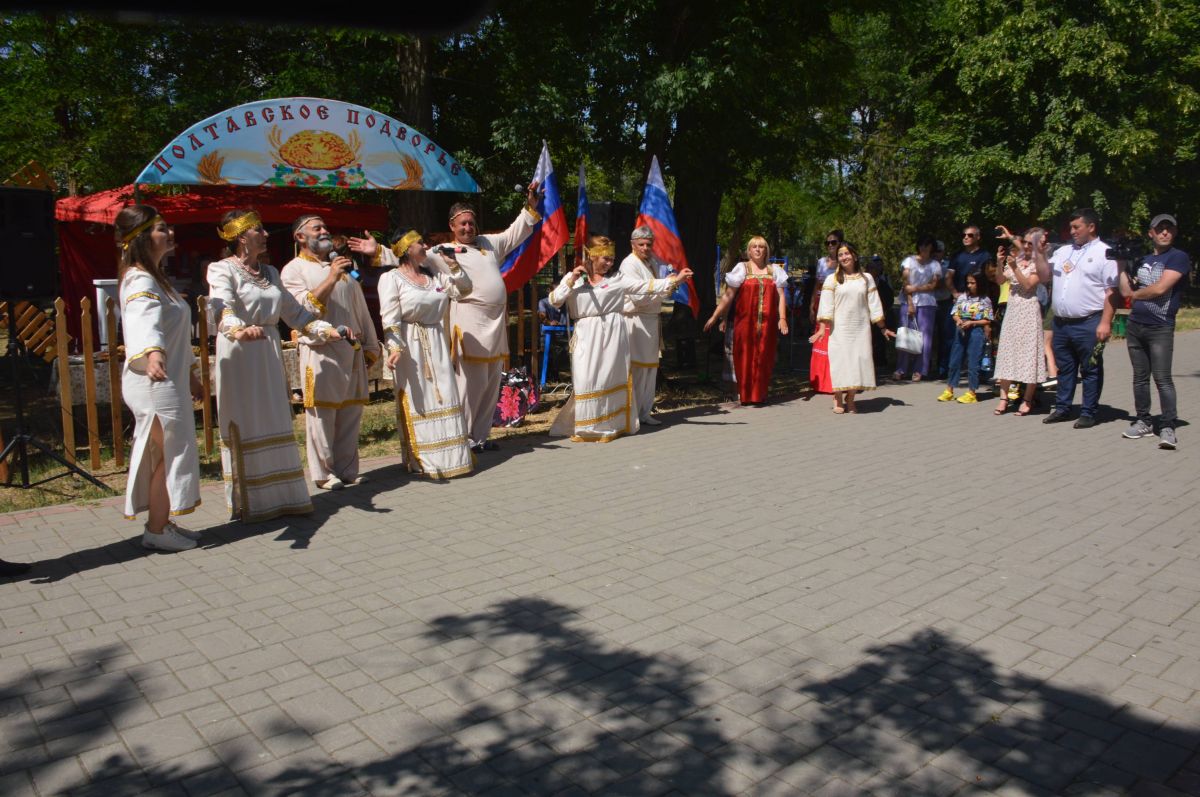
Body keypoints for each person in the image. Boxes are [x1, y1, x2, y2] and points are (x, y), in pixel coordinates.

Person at [207, 209, 340, 521]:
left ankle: (280, 498)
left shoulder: (270, 272)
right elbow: (222, 307)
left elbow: (295, 314)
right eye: (259, 230)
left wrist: (328, 330)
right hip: (240, 351)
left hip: (267, 352)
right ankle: (249, 502)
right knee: (246, 419)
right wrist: (237, 328)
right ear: (242, 237)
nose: (266, 235)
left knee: (274, 418)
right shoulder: (221, 269)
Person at [116, 206, 204, 551]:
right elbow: (144, 319)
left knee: (167, 452)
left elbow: (177, 336)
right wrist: (152, 351)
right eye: (161, 229)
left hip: (168, 376)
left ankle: (162, 521)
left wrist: (192, 374)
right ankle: (156, 529)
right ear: (141, 237)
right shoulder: (140, 279)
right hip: (154, 381)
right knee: (169, 452)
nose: (169, 233)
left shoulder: (156, 277)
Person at [549, 235, 691, 441]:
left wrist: (674, 281)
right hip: (587, 335)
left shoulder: (617, 280)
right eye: (605, 259)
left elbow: (644, 286)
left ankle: (610, 425)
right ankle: (586, 425)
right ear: (592, 257)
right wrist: (570, 281)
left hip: (613, 335)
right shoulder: (575, 281)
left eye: (612, 259)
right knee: (586, 379)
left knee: (608, 378)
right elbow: (554, 301)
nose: (610, 263)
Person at [281, 215, 380, 489]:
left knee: (350, 412)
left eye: (325, 226)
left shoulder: (345, 268)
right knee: (322, 415)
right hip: (321, 349)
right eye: (317, 228)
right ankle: (324, 473)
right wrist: (331, 277)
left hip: (353, 348)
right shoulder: (293, 270)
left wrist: (371, 345)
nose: (325, 231)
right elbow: (302, 310)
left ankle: (347, 469)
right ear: (300, 237)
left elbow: (361, 310)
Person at [442, 185, 542, 452]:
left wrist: (530, 207)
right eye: (463, 223)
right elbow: (414, 258)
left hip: (495, 324)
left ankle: (481, 437)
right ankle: (462, 439)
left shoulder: (487, 244)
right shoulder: (443, 250)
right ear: (452, 225)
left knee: (489, 384)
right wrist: (382, 253)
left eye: (471, 222)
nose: (468, 228)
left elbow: (514, 234)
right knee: (469, 385)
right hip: (469, 326)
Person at [377, 230, 475, 476]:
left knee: (446, 394)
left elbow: (464, 289)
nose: (425, 245)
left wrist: (453, 264)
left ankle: (453, 459)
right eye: (420, 242)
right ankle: (424, 460)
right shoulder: (392, 278)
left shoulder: (435, 278)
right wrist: (395, 347)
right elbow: (389, 317)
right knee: (420, 398)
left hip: (436, 341)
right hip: (410, 345)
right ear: (406, 248)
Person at [1034, 208, 1119, 428]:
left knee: (1090, 369)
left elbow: (1112, 291)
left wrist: (1105, 322)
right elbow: (1044, 276)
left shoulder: (1105, 253)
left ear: (1091, 227)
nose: (1072, 231)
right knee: (1065, 367)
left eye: (1076, 227)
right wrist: (1040, 253)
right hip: (1062, 323)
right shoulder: (1063, 252)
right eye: (1070, 227)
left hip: (1089, 321)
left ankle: (1089, 412)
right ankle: (1063, 408)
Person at [1118, 213, 1191, 449]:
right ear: (1151, 233)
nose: (1164, 232)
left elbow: (1160, 289)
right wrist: (1120, 264)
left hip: (1160, 326)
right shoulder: (1143, 259)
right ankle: (1143, 421)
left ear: (1175, 232)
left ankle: (1168, 426)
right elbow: (1125, 289)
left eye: (1169, 228)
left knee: (1162, 378)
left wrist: (1134, 295)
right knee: (1140, 378)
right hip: (1135, 324)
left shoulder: (1178, 257)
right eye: (1160, 229)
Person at [704, 236, 789, 405]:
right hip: (744, 322)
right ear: (749, 251)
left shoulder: (774, 271)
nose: (758, 249)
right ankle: (745, 395)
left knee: (764, 356)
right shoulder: (741, 269)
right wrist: (715, 316)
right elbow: (728, 295)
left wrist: (783, 318)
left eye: (761, 247)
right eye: (754, 247)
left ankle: (759, 394)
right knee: (744, 356)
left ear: (766, 250)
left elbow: (780, 296)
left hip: (767, 324)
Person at [811, 242, 894, 413]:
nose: (844, 257)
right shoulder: (832, 279)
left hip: (860, 328)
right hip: (839, 329)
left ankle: (851, 398)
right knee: (840, 362)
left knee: (858, 362)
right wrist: (821, 329)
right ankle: (838, 398)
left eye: (847, 254)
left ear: (855, 256)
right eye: (841, 255)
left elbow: (874, 305)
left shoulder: (867, 278)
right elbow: (826, 306)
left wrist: (883, 328)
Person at [619, 225, 679, 425]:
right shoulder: (629, 264)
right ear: (632, 244)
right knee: (637, 369)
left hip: (652, 320)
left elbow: (658, 295)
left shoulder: (652, 262)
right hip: (635, 321)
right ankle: (632, 413)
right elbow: (639, 298)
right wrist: (666, 285)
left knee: (650, 369)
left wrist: (671, 284)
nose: (646, 248)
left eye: (649, 244)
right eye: (641, 244)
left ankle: (645, 411)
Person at [991, 227, 1047, 415]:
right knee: (1008, 351)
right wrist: (1000, 263)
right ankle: (1004, 398)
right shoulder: (1018, 259)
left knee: (1029, 354)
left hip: (1029, 309)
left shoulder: (1039, 263)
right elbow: (1000, 280)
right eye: (1025, 243)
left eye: (1031, 244)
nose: (1026, 246)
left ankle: (1027, 399)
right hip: (1013, 309)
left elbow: (1028, 284)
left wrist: (1014, 267)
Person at [936, 273, 994, 404]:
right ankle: (949, 390)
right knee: (955, 360)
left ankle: (972, 392)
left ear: (979, 283)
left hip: (976, 331)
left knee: (973, 362)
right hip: (961, 331)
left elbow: (987, 319)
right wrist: (958, 320)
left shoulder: (985, 299)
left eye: (973, 283)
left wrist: (973, 323)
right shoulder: (963, 297)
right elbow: (955, 313)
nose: (970, 285)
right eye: (968, 282)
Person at [893, 235, 941, 381]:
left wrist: (916, 288)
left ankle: (920, 369)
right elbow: (906, 284)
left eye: (927, 245)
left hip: (927, 302)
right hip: (909, 301)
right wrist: (910, 302)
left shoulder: (935, 265)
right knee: (905, 335)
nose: (924, 248)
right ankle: (901, 368)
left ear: (932, 247)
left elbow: (933, 285)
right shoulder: (909, 261)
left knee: (925, 338)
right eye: (921, 245)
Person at [807, 230, 842, 394]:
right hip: (821, 303)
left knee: (833, 342)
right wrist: (811, 306)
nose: (830, 245)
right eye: (827, 243)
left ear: (840, 243)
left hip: (837, 304)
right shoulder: (821, 262)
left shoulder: (845, 261)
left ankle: (833, 382)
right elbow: (816, 285)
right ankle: (819, 381)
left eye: (833, 242)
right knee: (820, 342)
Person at [866, 254, 896, 371]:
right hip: (866, 316)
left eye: (875, 269)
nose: (873, 271)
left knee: (880, 339)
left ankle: (880, 362)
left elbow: (890, 297)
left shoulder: (883, 282)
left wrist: (883, 309)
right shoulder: (862, 282)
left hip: (880, 315)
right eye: (871, 268)